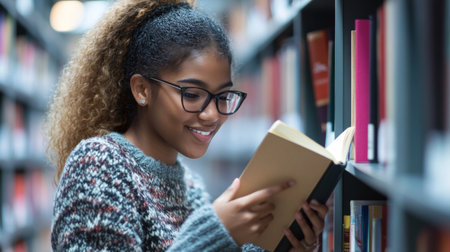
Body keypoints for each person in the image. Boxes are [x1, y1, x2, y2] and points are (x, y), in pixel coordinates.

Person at [46, 0, 328, 251]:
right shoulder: (98, 164)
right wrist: (216, 233)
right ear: (143, 89)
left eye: (222, 97)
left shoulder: (191, 187)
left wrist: (290, 245)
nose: (212, 115)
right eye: (192, 95)